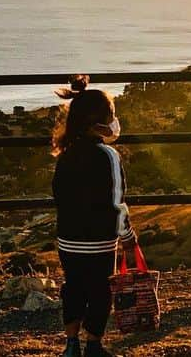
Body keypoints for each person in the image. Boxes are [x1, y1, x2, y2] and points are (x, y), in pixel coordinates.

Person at [52, 75, 134, 357]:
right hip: (100, 241)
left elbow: (59, 197)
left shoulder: (65, 156)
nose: (115, 121)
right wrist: (127, 236)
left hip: (68, 239)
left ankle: (71, 344)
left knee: (73, 288)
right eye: (112, 116)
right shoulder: (108, 155)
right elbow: (116, 202)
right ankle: (94, 345)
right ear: (98, 122)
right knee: (100, 291)